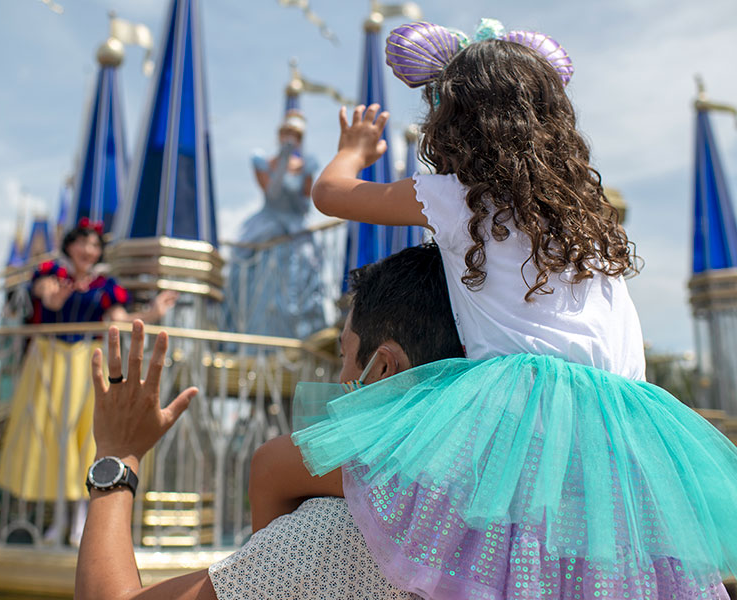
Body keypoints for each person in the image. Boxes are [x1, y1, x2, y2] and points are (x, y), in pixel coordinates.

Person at [252, 19, 737, 600]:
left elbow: (330, 195)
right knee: (603, 564)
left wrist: (353, 151)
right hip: (626, 424)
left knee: (290, 467)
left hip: (516, 411)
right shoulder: (587, 216)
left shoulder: (459, 198)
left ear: (453, 122)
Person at [74, 243, 465, 599]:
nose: (337, 375)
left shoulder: (331, 537)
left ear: (381, 367)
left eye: (343, 353)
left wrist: (117, 456)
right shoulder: (504, 538)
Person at [0, 218, 177, 546]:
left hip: (85, 363)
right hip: (49, 362)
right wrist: (53, 299)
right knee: (51, 437)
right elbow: (45, 295)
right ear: (69, 245)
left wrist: (153, 312)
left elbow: (119, 320)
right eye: (82, 242)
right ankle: (59, 521)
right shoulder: (52, 272)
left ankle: (80, 520)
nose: (88, 250)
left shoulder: (106, 286)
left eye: (94, 245)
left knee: (86, 440)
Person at [224, 109, 325, 339]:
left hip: (296, 235)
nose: (290, 138)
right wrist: (282, 164)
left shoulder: (307, 165)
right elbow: (272, 193)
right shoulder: (262, 162)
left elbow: (305, 200)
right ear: (279, 135)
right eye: (287, 133)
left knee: (300, 289)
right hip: (267, 231)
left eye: (296, 135)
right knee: (259, 292)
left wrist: (299, 170)